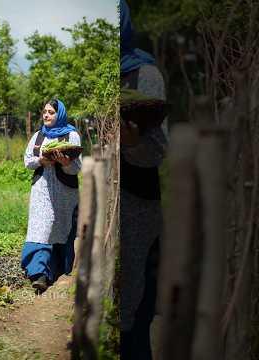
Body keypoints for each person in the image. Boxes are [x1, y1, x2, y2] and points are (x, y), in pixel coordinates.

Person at [119, 1, 168, 359]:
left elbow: (157, 151)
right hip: (103, 208)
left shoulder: (144, 74)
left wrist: (131, 142)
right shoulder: (92, 74)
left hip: (137, 205)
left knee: (134, 316)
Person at [20, 99, 82, 293]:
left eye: (51, 112)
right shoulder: (38, 136)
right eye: (45, 112)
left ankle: (57, 270)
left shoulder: (71, 135)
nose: (46, 115)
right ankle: (38, 274)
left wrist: (65, 162)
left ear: (60, 114)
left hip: (65, 194)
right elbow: (27, 161)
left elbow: (77, 167)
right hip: (41, 191)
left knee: (60, 229)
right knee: (40, 229)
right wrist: (41, 160)